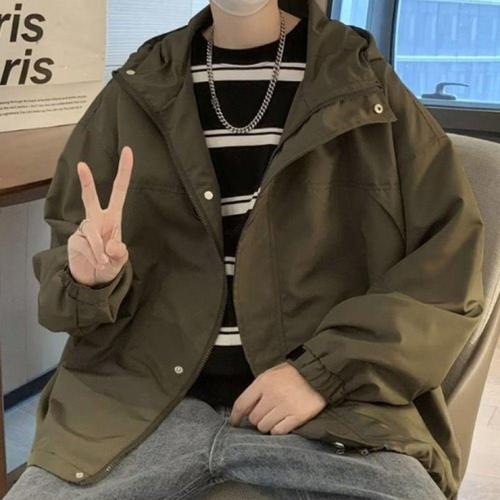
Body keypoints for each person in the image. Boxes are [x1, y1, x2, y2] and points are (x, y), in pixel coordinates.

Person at [5, 0, 484, 499]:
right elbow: (65, 293)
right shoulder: (135, 90)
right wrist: (91, 282)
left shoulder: (363, 83)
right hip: (138, 406)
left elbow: (446, 267)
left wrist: (323, 372)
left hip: (332, 414)